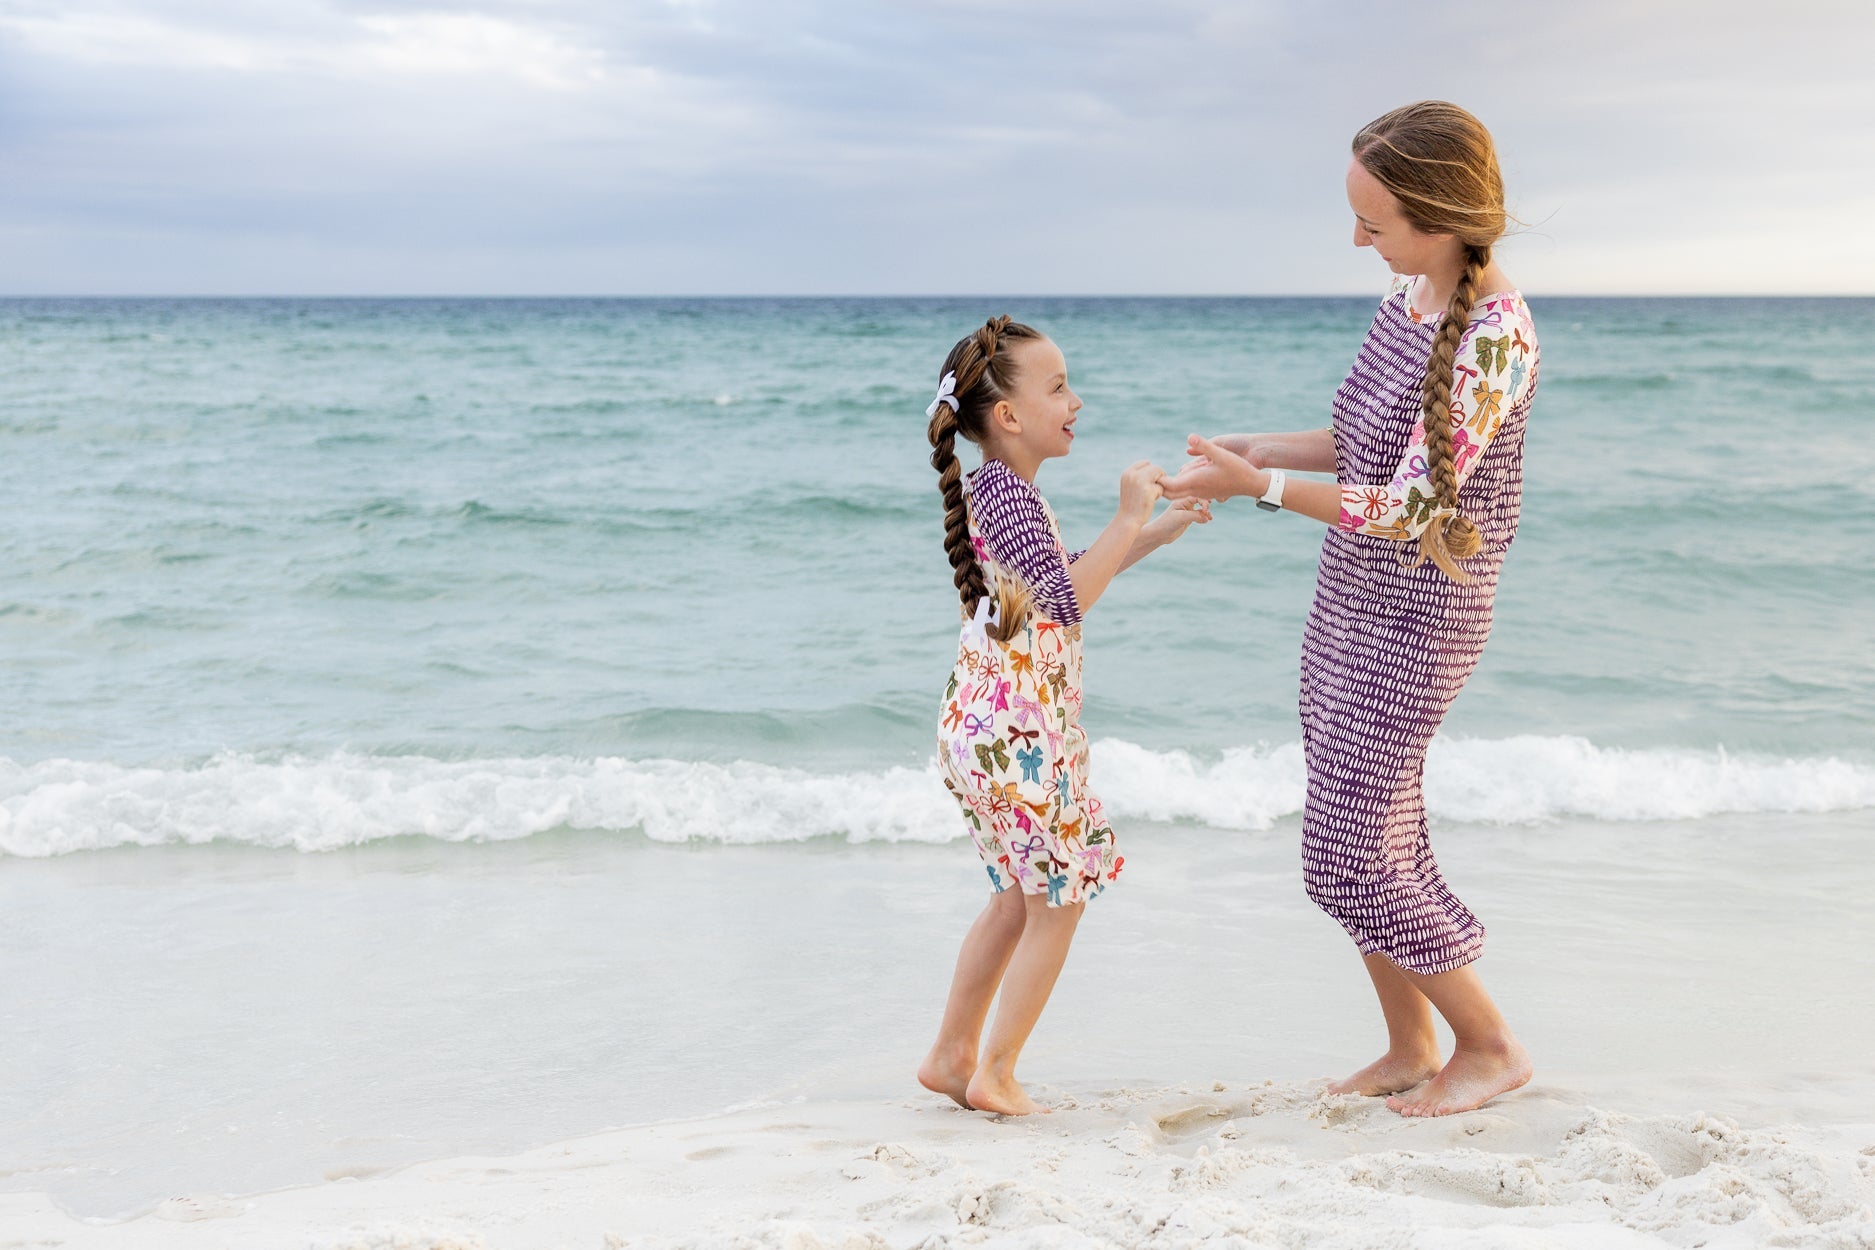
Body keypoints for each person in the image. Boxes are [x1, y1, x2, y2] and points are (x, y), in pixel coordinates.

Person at [1162, 101, 1540, 1117]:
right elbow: (1363, 443)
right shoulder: (1408, 296)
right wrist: (1254, 452)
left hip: (1423, 616)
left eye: (1374, 223)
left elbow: (1413, 502)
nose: (1358, 240)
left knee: (1349, 846)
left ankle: (1490, 1042)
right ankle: (1411, 1040)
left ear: (1441, 216)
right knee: (1366, 828)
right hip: (1350, 593)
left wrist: (1261, 492)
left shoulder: (1495, 338)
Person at [917, 314, 1208, 1116]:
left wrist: (1151, 533)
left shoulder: (1000, 494)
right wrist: (1124, 516)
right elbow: (1063, 604)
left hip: (978, 730)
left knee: (1015, 895)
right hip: (1019, 737)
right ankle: (995, 1073)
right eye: (1057, 388)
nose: (1075, 401)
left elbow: (1053, 581)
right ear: (1006, 416)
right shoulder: (1006, 496)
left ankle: (951, 1057)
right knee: (1059, 897)